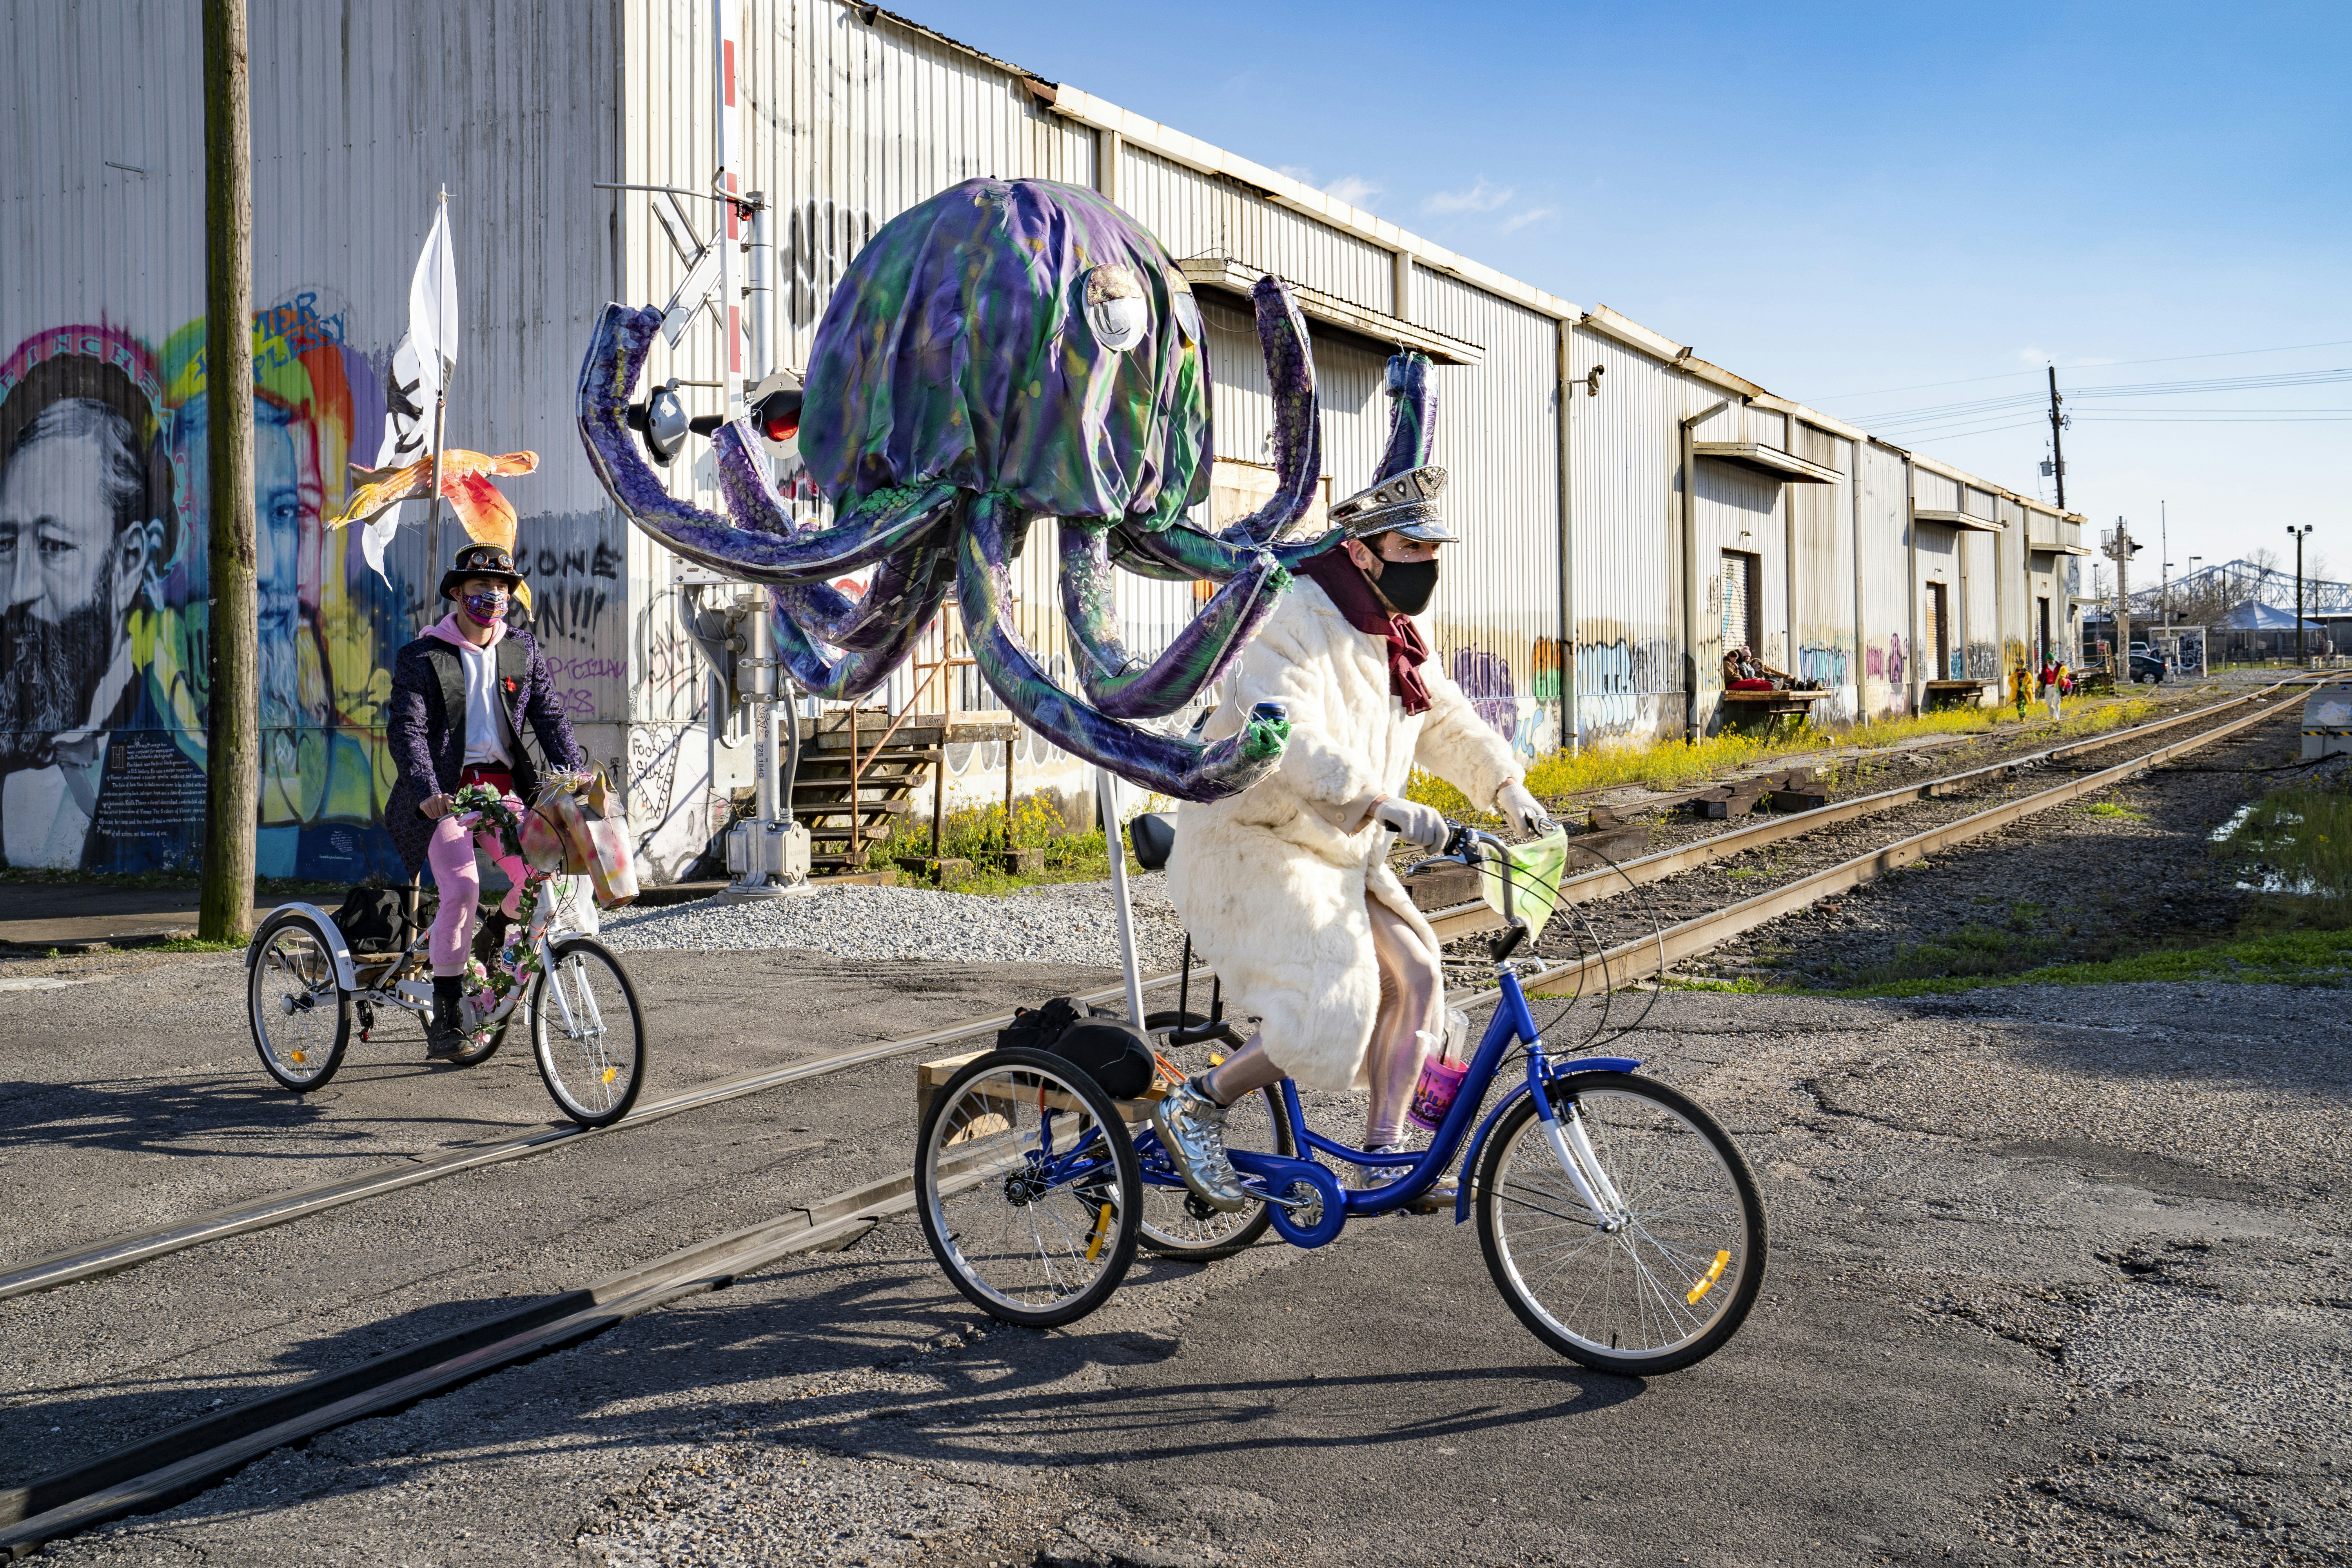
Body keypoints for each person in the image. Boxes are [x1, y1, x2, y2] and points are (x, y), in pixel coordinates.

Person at [1158, 465, 1552, 1209]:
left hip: (1337, 848)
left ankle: (1384, 1158)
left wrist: (1507, 788)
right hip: (1255, 840)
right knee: (1333, 998)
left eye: (1435, 551)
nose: (1427, 566)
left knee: (1418, 975)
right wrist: (1374, 799)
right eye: (1412, 549)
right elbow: (1284, 732)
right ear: (1364, 551)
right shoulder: (1293, 614)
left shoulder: (1397, 630)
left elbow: (1444, 718)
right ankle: (1199, 1100)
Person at [386, 544, 581, 1058]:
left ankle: (492, 937)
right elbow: (407, 730)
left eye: (501, 590)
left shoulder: (521, 650)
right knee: (463, 887)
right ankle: (447, 1013)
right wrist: (427, 790)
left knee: (543, 877)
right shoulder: (423, 656)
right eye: (480, 590)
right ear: (456, 593)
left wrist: (573, 770)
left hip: (502, 789)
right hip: (444, 795)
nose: (493, 598)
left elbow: (551, 717)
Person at [0, 378, 181, 870]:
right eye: (7, 545)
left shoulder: (174, 742)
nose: (18, 590)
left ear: (128, 563)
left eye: (54, 546)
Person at [2039, 652, 2066, 720]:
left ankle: (2056, 718)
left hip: (2057, 687)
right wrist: (2040, 685)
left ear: (2053, 659)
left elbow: (2065, 673)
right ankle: (2053, 715)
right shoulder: (2045, 667)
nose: (2049, 661)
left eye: (2050, 660)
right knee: (2049, 704)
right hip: (2048, 687)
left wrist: (2063, 677)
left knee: (2057, 703)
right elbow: (2042, 677)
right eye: (2048, 660)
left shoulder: (2060, 666)